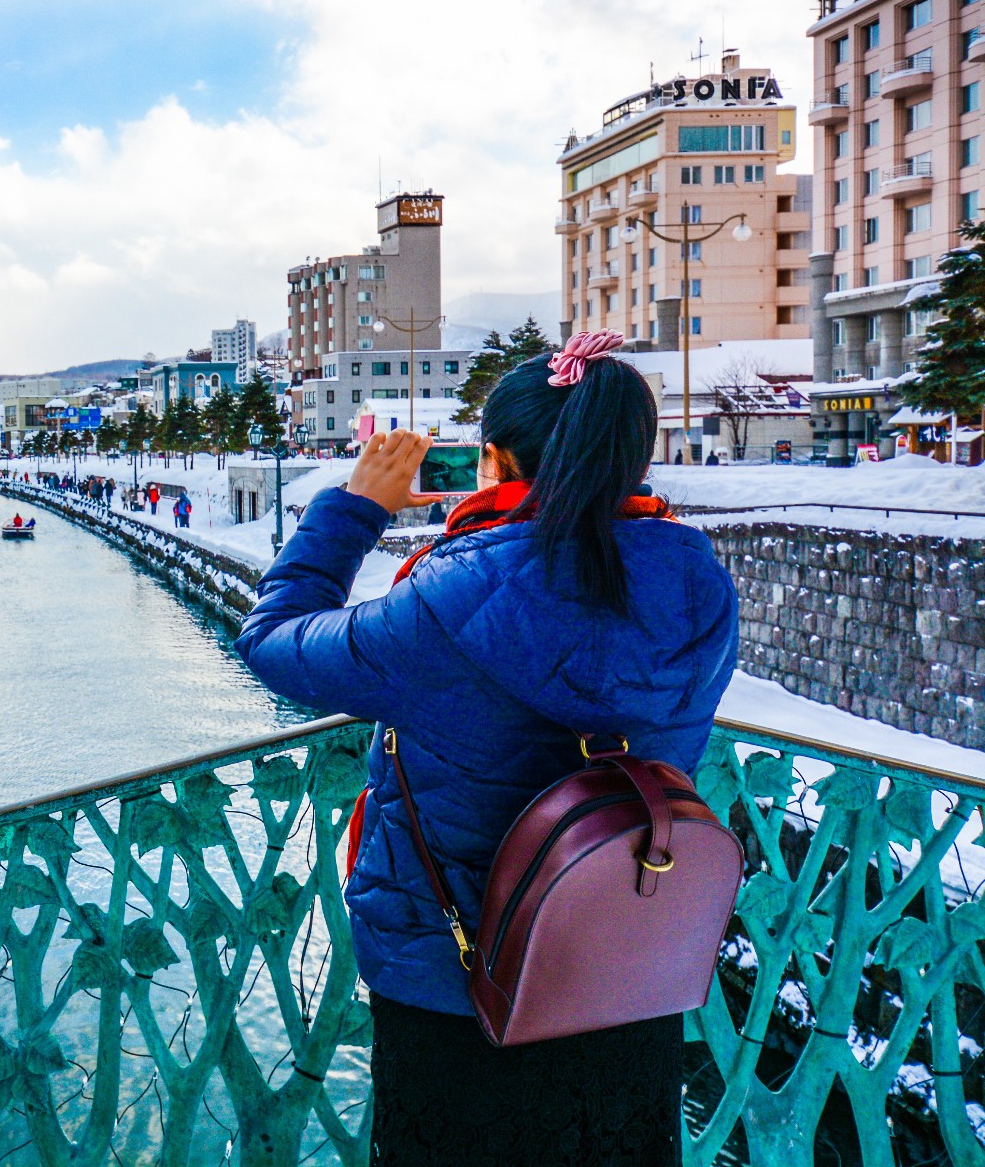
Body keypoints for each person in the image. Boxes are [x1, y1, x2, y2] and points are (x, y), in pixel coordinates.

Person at [233, 331, 737, 1167]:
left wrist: (354, 506)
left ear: (496, 459)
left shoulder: (454, 595)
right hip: (628, 959)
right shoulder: (696, 582)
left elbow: (275, 640)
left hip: (459, 985)